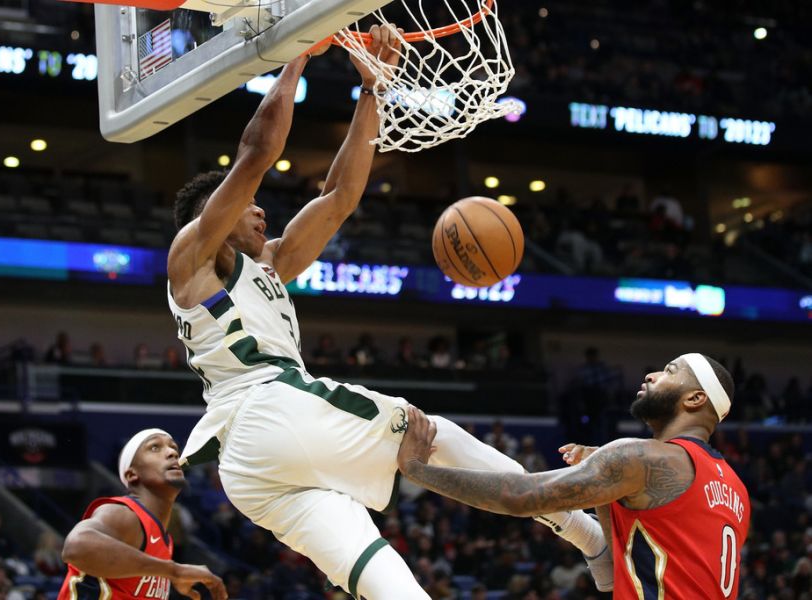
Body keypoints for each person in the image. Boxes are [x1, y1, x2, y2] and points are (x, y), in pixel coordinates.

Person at [165, 26, 610, 599]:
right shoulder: (193, 256)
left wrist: (373, 88)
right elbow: (257, 153)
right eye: (246, 204)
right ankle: (587, 534)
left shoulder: (268, 263)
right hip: (267, 407)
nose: (260, 210)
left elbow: (338, 198)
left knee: (386, 582)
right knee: (434, 434)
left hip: (251, 469)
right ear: (213, 214)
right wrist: (295, 57)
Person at [397, 353, 750, 599]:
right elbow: (623, 571)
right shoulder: (736, 490)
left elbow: (518, 496)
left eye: (670, 371)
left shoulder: (644, 456)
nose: (651, 375)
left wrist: (417, 470)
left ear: (695, 398)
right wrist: (608, 488)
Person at [58, 429, 226, 600]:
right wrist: (174, 570)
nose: (172, 452)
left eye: (174, 447)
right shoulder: (123, 513)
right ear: (132, 474)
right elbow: (76, 546)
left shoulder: (164, 542)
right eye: (155, 447)